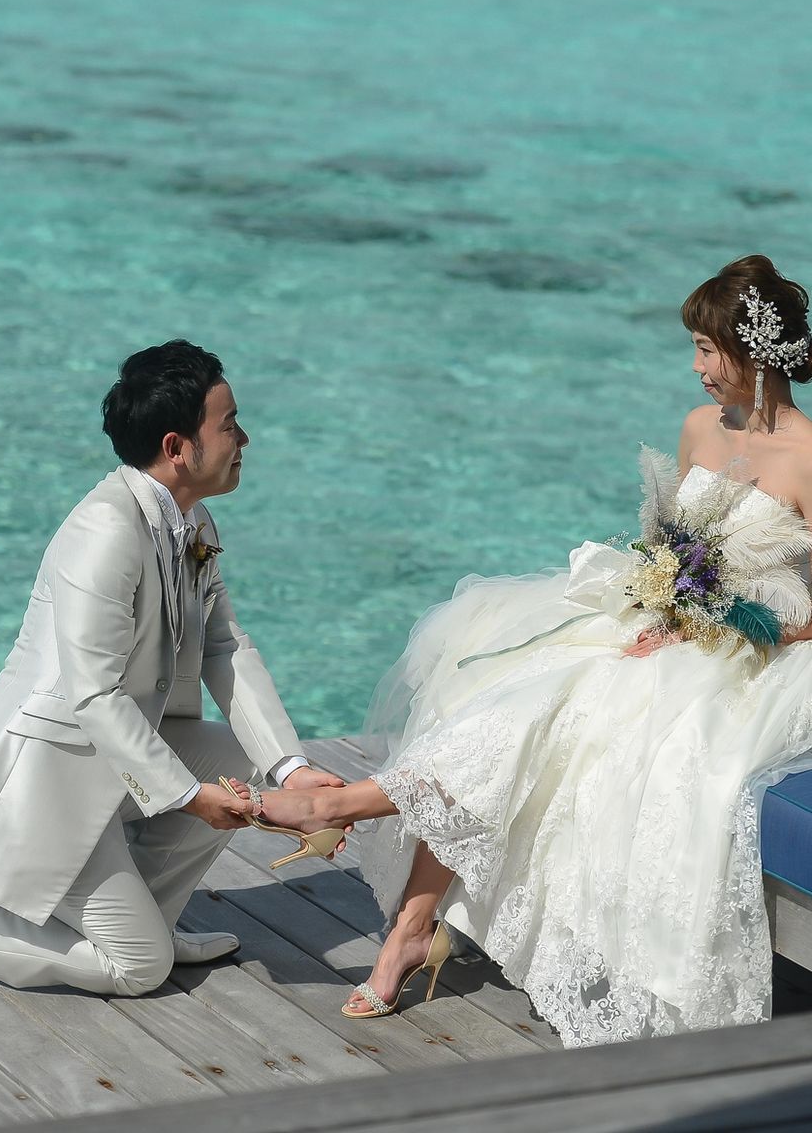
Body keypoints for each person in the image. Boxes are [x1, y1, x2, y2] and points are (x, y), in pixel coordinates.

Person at [226, 255, 812, 1047]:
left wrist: (723, 623)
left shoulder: (809, 454)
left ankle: (347, 816)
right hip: (666, 622)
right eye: (696, 349)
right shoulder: (699, 427)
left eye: (708, 349)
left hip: (752, 655)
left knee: (566, 709)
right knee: (494, 683)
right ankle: (411, 922)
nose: (696, 367)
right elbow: (673, 543)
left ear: (753, 351)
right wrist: (665, 600)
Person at [0, 339, 343, 997]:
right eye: (230, 424)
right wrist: (189, 797)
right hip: (46, 777)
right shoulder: (105, 531)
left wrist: (290, 768)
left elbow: (223, 645)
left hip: (106, 759)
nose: (245, 438)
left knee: (236, 759)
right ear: (178, 447)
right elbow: (94, 695)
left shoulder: (193, 521)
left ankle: (151, 921)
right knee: (137, 969)